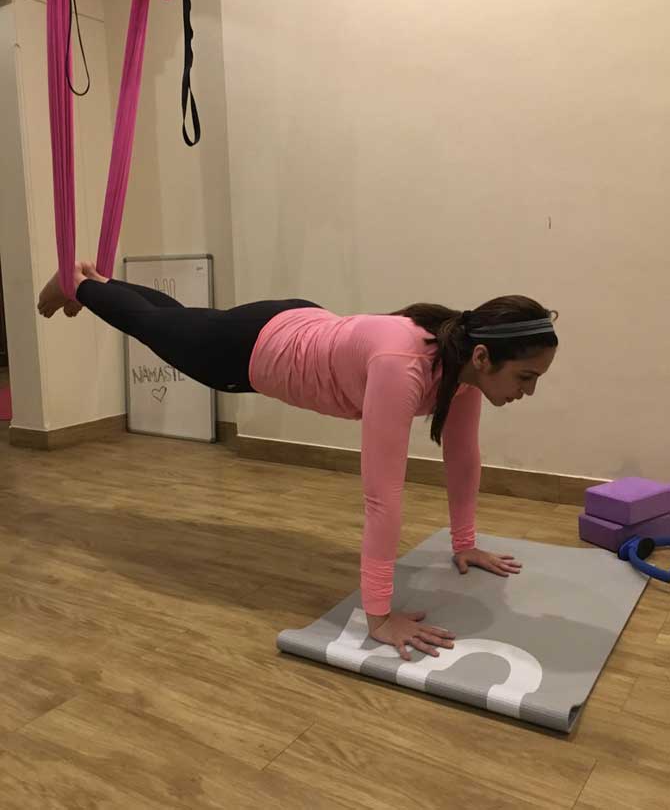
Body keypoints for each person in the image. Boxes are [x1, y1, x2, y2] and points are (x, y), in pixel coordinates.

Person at [38, 263, 558, 661]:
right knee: (162, 327)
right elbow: (382, 494)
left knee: (175, 322)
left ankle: (98, 279)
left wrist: (465, 544)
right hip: (250, 353)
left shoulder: (461, 364)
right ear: (486, 357)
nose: (528, 392)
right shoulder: (404, 366)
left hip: (294, 319)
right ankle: (79, 285)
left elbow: (462, 457)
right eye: (526, 377)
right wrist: (379, 616)